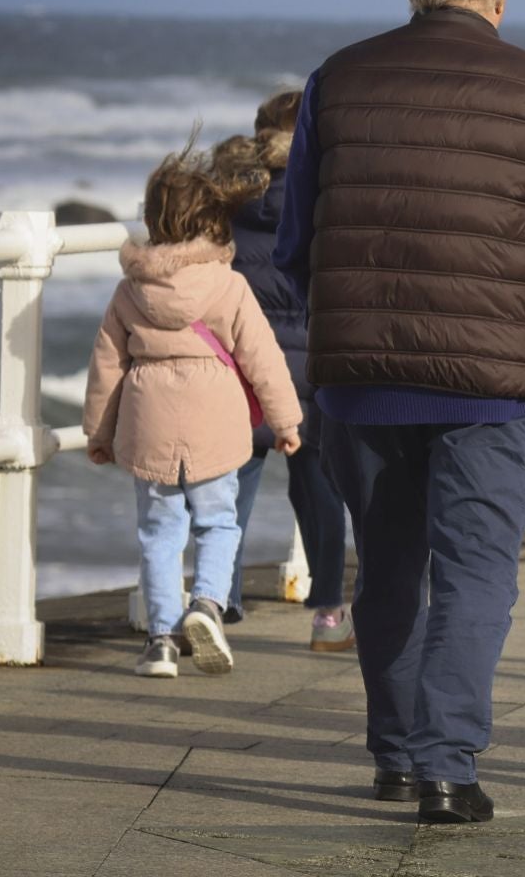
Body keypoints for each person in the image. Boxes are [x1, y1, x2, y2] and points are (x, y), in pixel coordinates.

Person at [274, 0, 525, 825]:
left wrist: (336, 329)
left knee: (385, 569)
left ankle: (396, 754)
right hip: (487, 387)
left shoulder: (335, 81)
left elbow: (295, 234)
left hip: (361, 379)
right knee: (475, 574)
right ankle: (446, 766)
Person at [82, 143, 303, 679]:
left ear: (152, 221)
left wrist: (99, 432)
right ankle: (206, 603)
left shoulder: (130, 290)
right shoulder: (228, 286)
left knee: (159, 533)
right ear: (211, 221)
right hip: (215, 421)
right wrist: (286, 420)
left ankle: (160, 641)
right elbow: (262, 358)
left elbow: (107, 365)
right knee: (217, 521)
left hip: (148, 418)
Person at [214, 100, 356, 650]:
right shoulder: (323, 196)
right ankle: (326, 614)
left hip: (241, 368)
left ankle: (219, 596)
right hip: (310, 365)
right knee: (321, 494)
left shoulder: (227, 201)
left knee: (230, 490)